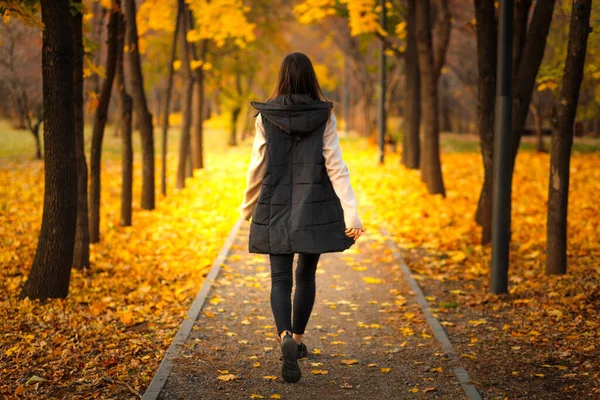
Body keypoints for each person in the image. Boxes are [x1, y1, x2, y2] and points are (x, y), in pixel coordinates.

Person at [240, 52, 364, 383]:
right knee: (305, 276)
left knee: (280, 279)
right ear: (311, 78)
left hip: (275, 203)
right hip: (313, 206)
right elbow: (336, 165)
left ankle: (283, 337)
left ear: (282, 77)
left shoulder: (265, 117)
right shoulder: (323, 115)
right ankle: (296, 340)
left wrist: (247, 207)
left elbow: (257, 166)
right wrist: (351, 212)